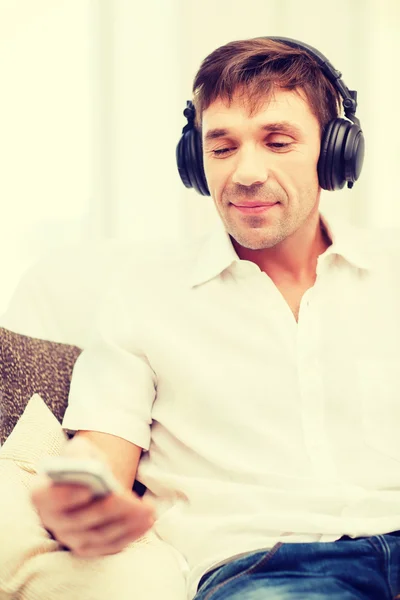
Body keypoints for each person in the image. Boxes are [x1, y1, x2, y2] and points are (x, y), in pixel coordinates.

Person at [31, 36, 400, 600]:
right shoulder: (143, 295)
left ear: (334, 152)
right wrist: (78, 494)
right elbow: (100, 452)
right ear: (195, 161)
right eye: (222, 147)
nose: (246, 174)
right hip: (272, 570)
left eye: (278, 141)